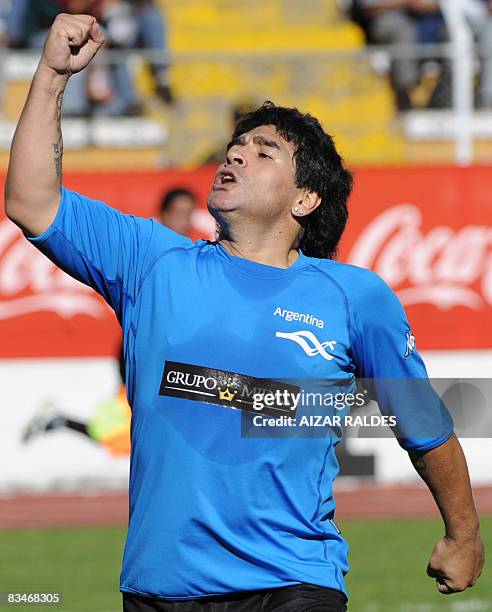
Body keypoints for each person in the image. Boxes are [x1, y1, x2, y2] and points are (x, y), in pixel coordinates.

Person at [4, 14, 484, 612]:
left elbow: (422, 423)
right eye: (234, 147)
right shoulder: (154, 262)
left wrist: (463, 534)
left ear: (305, 198)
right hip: (160, 589)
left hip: (293, 584)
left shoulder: (353, 295)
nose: (235, 157)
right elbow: (29, 199)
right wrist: (50, 74)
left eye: (264, 151)